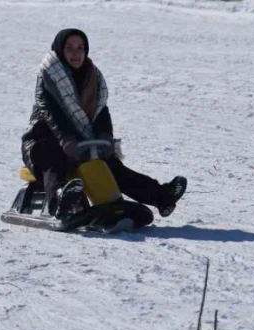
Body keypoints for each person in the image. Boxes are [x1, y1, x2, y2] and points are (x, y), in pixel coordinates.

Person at [21, 28, 186, 219]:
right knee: (54, 160)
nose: (76, 53)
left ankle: (161, 196)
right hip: (43, 142)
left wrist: (105, 135)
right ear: (59, 50)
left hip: (81, 143)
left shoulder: (92, 77)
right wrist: (66, 138)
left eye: (80, 48)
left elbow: (100, 111)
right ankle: (59, 202)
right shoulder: (48, 78)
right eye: (69, 48)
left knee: (111, 166)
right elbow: (50, 112)